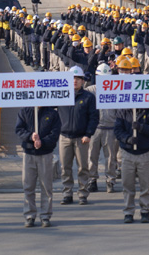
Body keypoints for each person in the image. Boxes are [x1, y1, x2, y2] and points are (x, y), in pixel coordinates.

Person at [114, 69, 149, 223]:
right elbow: (117, 130)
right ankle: (128, 211)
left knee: (145, 185)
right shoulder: (123, 109)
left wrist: (141, 128)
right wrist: (128, 139)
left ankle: (145, 210)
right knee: (127, 185)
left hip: (144, 153)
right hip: (127, 153)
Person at [57, 66, 99, 205]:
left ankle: (82, 193)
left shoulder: (88, 97)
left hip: (82, 138)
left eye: (78, 78)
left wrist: (88, 134)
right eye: (72, 78)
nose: (74, 81)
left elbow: (94, 117)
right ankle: (67, 193)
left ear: (82, 81)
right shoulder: (61, 94)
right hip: (64, 137)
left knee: (83, 167)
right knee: (65, 167)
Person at [15, 106, 61, 228]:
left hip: (45, 154)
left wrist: (43, 142)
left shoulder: (52, 113)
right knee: (28, 186)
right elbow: (19, 130)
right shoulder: (24, 111)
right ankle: (29, 215)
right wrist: (30, 136)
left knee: (46, 187)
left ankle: (45, 216)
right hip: (28, 154)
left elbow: (55, 133)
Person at [86, 63, 120, 193]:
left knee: (111, 158)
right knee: (92, 156)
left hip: (111, 128)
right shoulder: (90, 90)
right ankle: (92, 180)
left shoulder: (116, 89)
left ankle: (110, 181)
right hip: (95, 129)